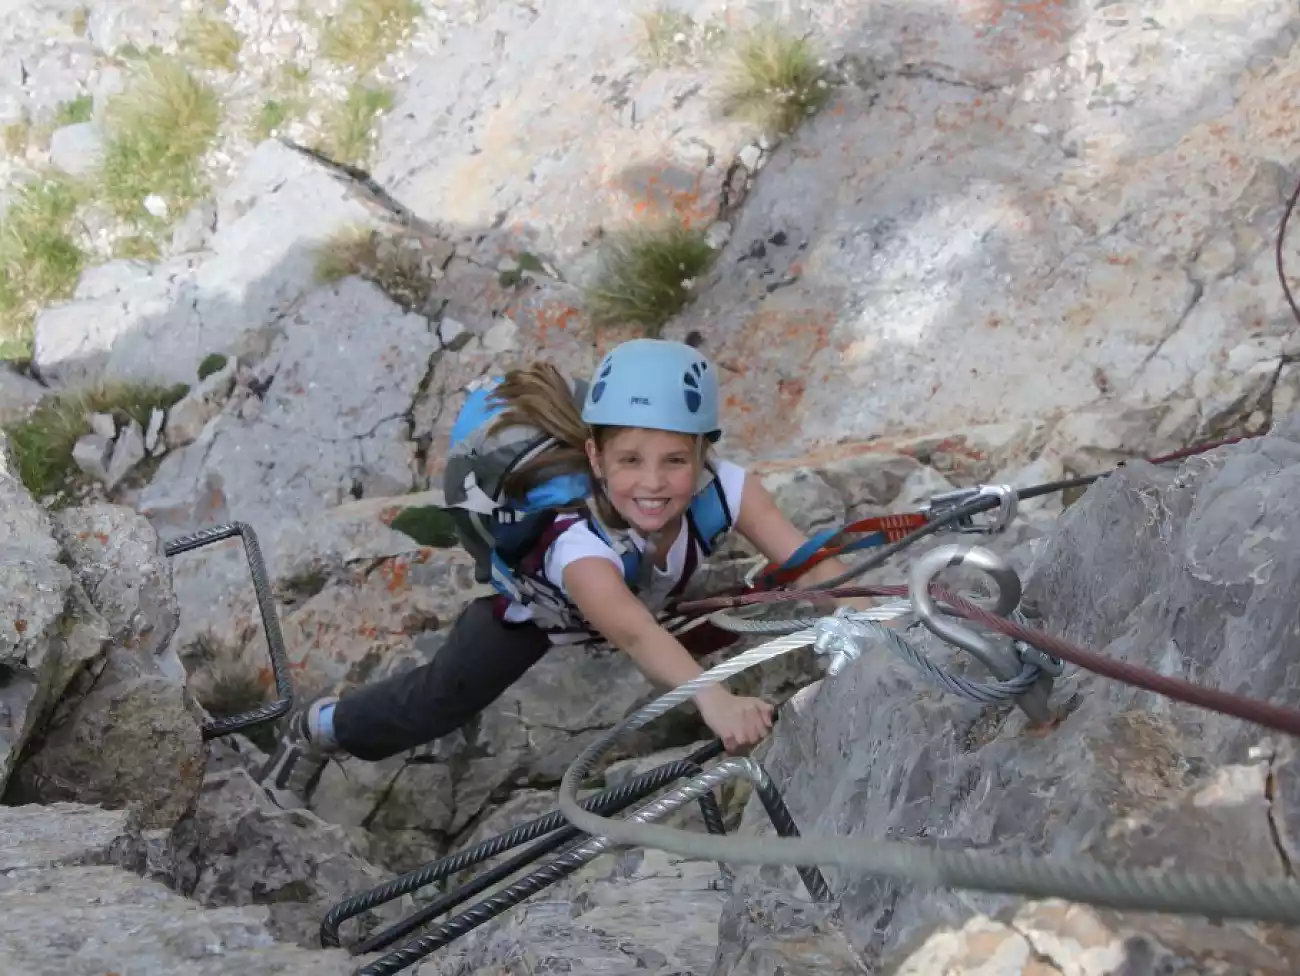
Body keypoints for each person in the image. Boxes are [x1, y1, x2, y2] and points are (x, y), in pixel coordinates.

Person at [258, 338, 868, 809]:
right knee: (439, 702)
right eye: (631, 460)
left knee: (738, 604)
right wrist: (715, 699)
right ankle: (320, 728)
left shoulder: (727, 488)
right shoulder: (574, 544)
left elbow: (806, 561)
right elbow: (632, 632)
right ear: (595, 457)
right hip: (542, 616)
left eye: (675, 460)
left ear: (702, 454)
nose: (653, 483)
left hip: (637, 595)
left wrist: (865, 610)